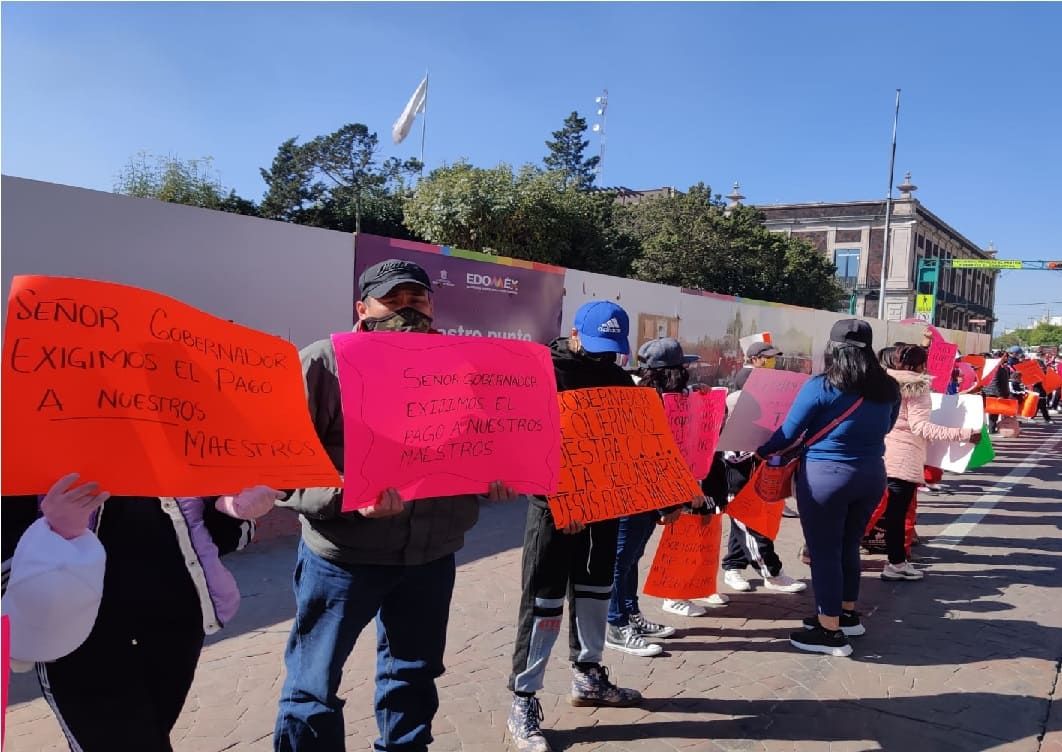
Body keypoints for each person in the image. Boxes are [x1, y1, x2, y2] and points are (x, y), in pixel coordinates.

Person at [274, 259, 518, 752]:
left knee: (414, 673)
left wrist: (491, 480)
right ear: (362, 308)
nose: (406, 309)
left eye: (417, 299)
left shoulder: (462, 367)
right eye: (393, 299)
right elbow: (281, 466)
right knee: (312, 685)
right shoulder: (322, 363)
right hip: (343, 560)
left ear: (432, 306)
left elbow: (472, 448)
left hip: (432, 557)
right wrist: (349, 498)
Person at [2, 473, 280, 750]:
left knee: (150, 741)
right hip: (78, 637)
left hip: (177, 622)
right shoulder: (30, 438)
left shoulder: (178, 434)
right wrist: (51, 535)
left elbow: (217, 539)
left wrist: (231, 513)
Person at [507, 301, 644, 752]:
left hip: (604, 507)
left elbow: (630, 446)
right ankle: (523, 699)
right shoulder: (542, 372)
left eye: (613, 349)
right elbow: (523, 443)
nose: (605, 357)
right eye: (598, 346)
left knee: (594, 594)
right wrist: (562, 502)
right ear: (575, 334)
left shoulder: (621, 379)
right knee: (543, 602)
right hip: (553, 511)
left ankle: (588, 675)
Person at [757, 320, 900, 657]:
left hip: (826, 476)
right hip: (871, 474)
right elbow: (888, 426)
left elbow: (788, 434)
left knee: (824, 554)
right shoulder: (888, 387)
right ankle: (847, 615)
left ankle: (829, 632)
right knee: (849, 546)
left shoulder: (821, 385)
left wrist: (760, 452)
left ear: (833, 349)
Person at [605, 337, 701, 658]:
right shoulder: (641, 402)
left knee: (631, 557)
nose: (687, 372)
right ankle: (616, 624)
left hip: (649, 495)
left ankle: (630, 614)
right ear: (671, 371)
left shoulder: (664, 399)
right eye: (682, 367)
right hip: (630, 494)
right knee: (620, 559)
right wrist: (669, 501)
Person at [716, 340, 807, 606]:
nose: (772, 361)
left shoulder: (763, 396)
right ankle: (772, 571)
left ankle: (733, 566)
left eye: (774, 357)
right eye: (767, 357)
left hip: (758, 466)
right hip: (736, 468)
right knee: (748, 521)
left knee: (744, 520)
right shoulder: (735, 399)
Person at [879, 345, 981, 582]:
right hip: (903, 457)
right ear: (920, 366)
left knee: (875, 511)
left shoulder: (882, 382)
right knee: (895, 515)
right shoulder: (917, 387)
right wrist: (964, 434)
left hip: (879, 453)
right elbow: (920, 427)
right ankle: (895, 563)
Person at [981, 351, 1013, 434]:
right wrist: (1002, 394)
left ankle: (989, 428)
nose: (1006, 359)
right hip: (994, 393)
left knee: (990, 412)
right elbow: (998, 382)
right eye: (1005, 357)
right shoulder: (999, 368)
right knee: (994, 412)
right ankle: (991, 429)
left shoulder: (990, 367)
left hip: (987, 391)